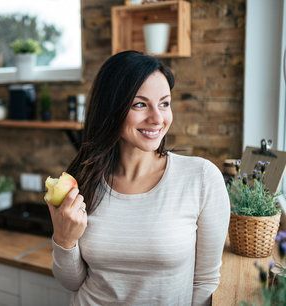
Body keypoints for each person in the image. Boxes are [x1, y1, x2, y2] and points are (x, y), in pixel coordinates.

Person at [46, 51, 230, 306]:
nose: (157, 118)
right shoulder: (83, 180)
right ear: (112, 109)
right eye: (140, 104)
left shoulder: (201, 178)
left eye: (164, 103)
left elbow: (205, 283)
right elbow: (71, 282)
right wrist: (64, 240)